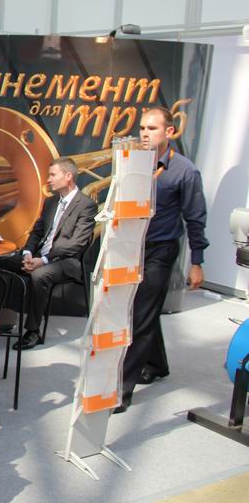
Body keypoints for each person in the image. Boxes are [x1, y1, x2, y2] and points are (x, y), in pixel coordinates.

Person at [115, 106, 208, 414]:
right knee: (144, 309)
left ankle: (122, 390)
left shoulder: (185, 171)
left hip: (161, 249)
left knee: (140, 314)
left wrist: (197, 262)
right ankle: (157, 364)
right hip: (132, 245)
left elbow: (195, 218)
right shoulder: (133, 162)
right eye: (142, 128)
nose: (144, 133)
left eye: (152, 128)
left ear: (169, 132)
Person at [0, 157, 98, 351]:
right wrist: (28, 253)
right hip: (39, 257)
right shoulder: (51, 202)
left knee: (40, 275)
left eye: (52, 175)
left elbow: (76, 244)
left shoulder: (86, 205)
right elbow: (37, 232)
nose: (48, 180)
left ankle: (33, 331)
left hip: (67, 262)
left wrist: (44, 260)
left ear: (68, 176)